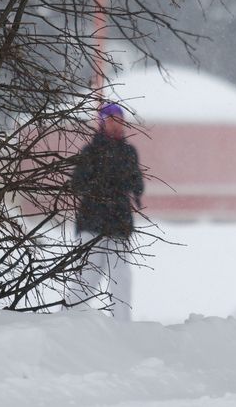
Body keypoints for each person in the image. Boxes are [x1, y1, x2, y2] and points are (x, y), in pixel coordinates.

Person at [67, 102, 144, 318]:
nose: (117, 125)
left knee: (121, 274)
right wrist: (101, 188)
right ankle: (68, 317)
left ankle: (121, 321)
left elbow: (136, 183)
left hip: (119, 222)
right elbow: (77, 184)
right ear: (102, 123)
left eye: (120, 120)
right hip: (92, 222)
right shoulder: (91, 152)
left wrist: (135, 189)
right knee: (88, 272)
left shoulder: (128, 152)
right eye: (112, 120)